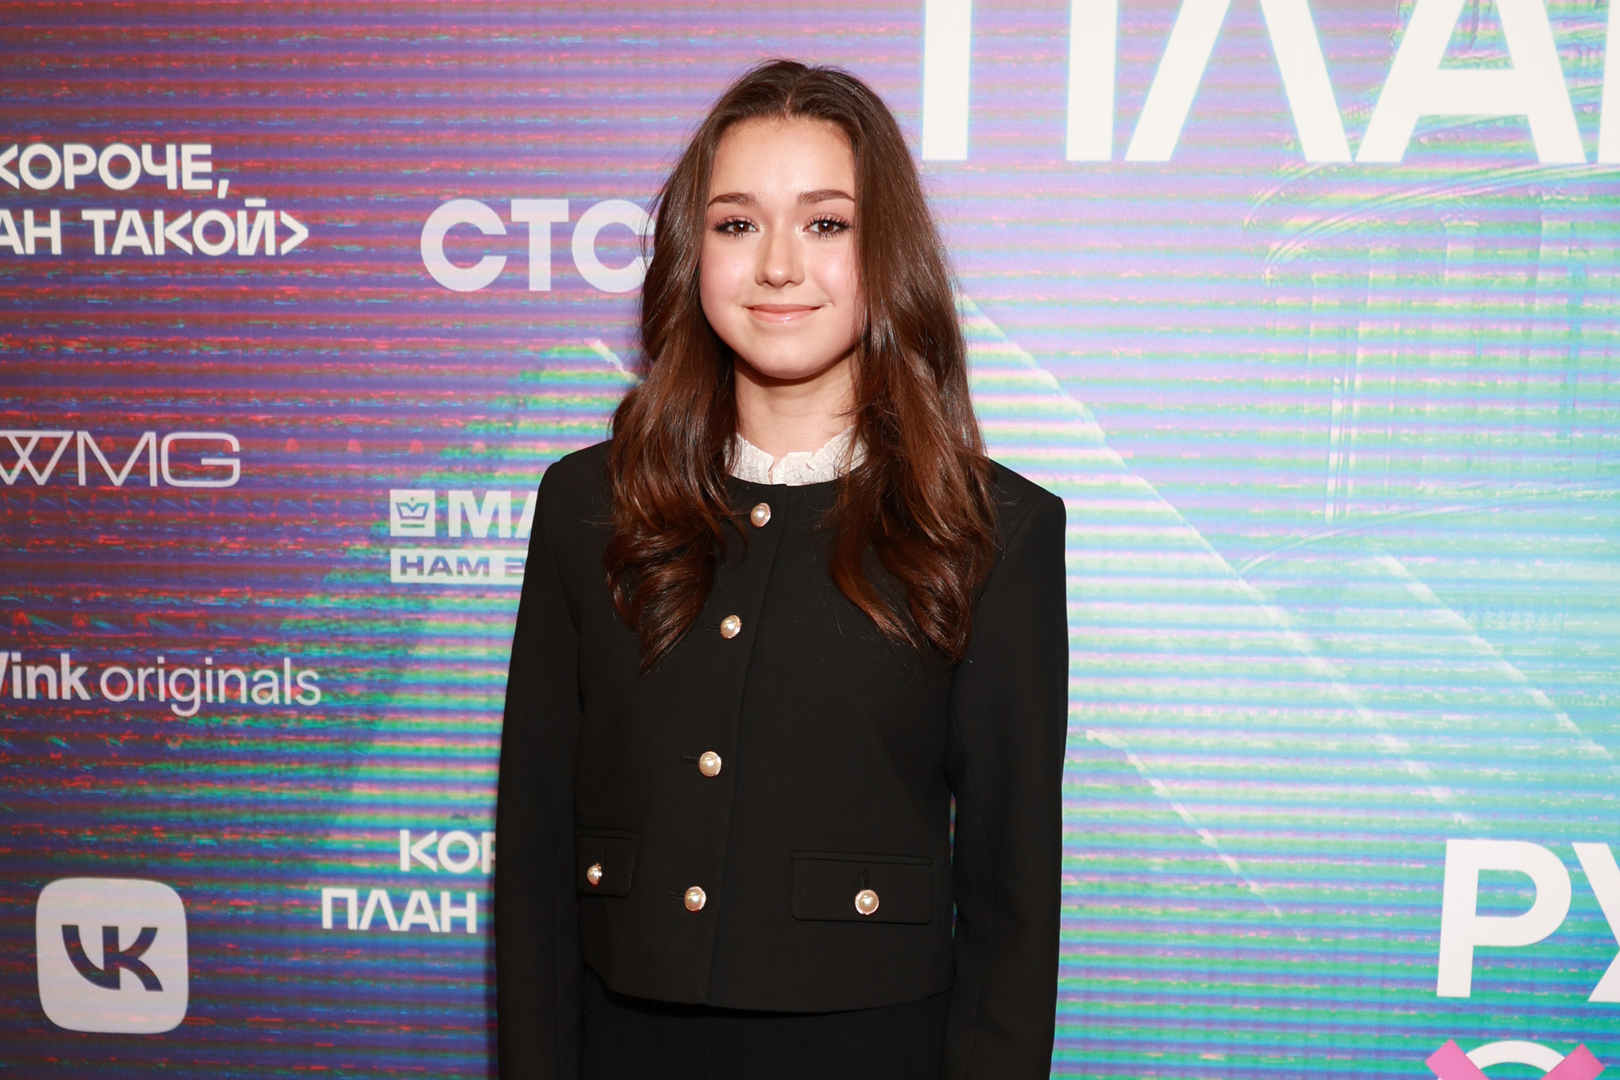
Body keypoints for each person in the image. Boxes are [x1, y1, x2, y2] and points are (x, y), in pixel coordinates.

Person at [495, 59, 1067, 1080]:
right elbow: (534, 856)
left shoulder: (993, 529)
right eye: (737, 223)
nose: (777, 266)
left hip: (875, 1052)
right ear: (692, 252)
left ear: (887, 252)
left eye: (826, 222)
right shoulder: (587, 505)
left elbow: (1011, 911)